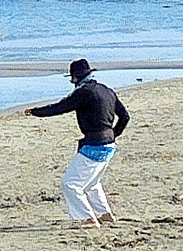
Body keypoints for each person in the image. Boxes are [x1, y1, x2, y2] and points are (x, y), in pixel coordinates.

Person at [24, 58, 130, 228]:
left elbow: (60, 107)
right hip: (109, 145)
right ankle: (105, 214)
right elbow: (125, 117)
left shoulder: (84, 92)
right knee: (92, 183)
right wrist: (112, 135)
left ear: (75, 78)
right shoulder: (107, 90)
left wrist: (35, 112)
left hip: (94, 145)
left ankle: (87, 218)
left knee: (70, 184)